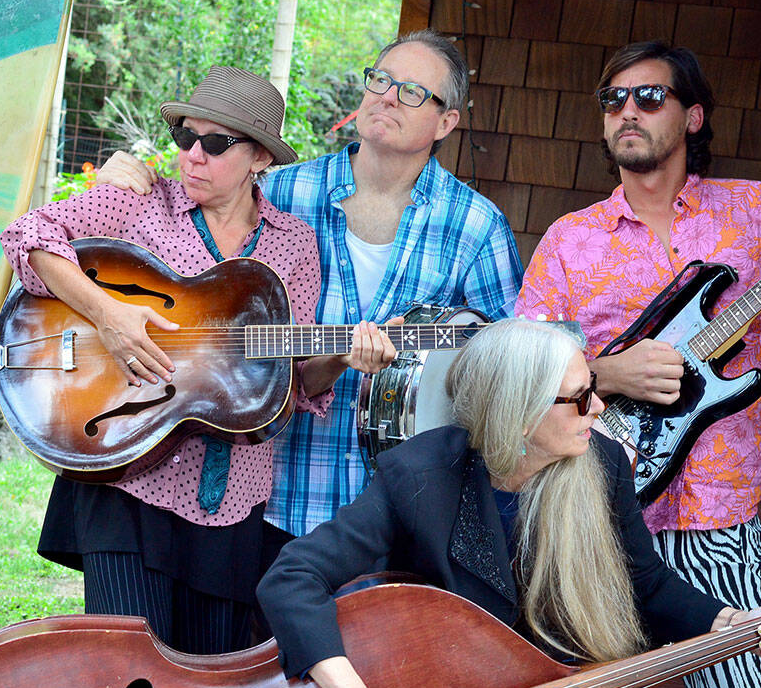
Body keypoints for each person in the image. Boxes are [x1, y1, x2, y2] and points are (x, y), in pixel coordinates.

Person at [257, 318, 761, 688]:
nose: (598, 409)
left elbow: (646, 584)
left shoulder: (602, 465)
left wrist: (734, 621)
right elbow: (292, 578)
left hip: (555, 682)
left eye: (592, 388)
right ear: (520, 414)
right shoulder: (422, 473)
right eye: (579, 398)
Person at [516, 41, 761, 688]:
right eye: (613, 99)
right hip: (587, 506)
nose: (627, 110)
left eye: (649, 97)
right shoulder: (571, 239)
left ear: (693, 115)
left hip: (717, 514)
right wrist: (604, 369)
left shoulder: (755, 210)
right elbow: (518, 374)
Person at [95, 30, 524, 544]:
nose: (387, 96)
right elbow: (178, 276)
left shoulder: (477, 227)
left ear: (446, 121)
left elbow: (503, 365)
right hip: (269, 496)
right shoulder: (278, 191)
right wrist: (125, 180)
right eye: (380, 80)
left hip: (397, 513)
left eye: (411, 91)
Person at [0, 66, 357, 655]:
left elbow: (287, 383)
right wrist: (108, 314)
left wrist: (340, 358)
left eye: (215, 144)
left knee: (205, 683)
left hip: (232, 497)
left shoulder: (293, 244)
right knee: (125, 672)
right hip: (128, 467)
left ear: (261, 157)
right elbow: (30, 236)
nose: (193, 155)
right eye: (185, 137)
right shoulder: (139, 201)